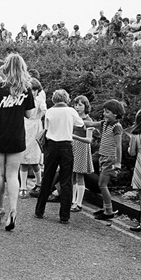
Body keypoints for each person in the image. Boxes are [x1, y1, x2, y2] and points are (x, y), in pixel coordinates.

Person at [0, 53, 35, 231]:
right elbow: (29, 114)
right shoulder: (26, 89)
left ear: (6, 67)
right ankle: (13, 210)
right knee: (13, 175)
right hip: (17, 135)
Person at [34, 89, 84, 224]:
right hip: (66, 146)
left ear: (54, 99)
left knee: (47, 178)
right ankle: (64, 216)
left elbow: (47, 128)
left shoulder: (50, 111)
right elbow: (80, 124)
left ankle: (39, 210)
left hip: (51, 146)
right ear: (66, 99)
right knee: (66, 180)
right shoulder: (71, 111)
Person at [87, 100, 125, 220]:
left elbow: (118, 146)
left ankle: (109, 211)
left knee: (102, 185)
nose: (104, 114)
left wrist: (118, 162)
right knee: (102, 185)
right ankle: (106, 208)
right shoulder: (105, 123)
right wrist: (75, 121)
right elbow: (91, 124)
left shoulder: (116, 127)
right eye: (104, 111)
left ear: (116, 114)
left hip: (110, 158)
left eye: (107, 112)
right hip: (103, 156)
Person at [20, 78, 46, 198]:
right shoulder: (25, 98)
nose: (33, 92)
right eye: (31, 90)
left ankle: (39, 183)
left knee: (35, 159)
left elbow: (45, 111)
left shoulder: (40, 99)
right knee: (24, 159)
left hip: (35, 127)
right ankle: (23, 186)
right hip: (25, 125)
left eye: (35, 90)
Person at [70, 96, 94, 212]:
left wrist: (74, 137)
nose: (77, 107)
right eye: (76, 105)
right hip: (73, 147)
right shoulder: (74, 118)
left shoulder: (88, 120)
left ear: (86, 106)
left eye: (80, 105)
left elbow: (89, 139)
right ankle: (73, 200)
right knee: (73, 175)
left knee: (80, 176)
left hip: (82, 148)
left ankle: (79, 202)